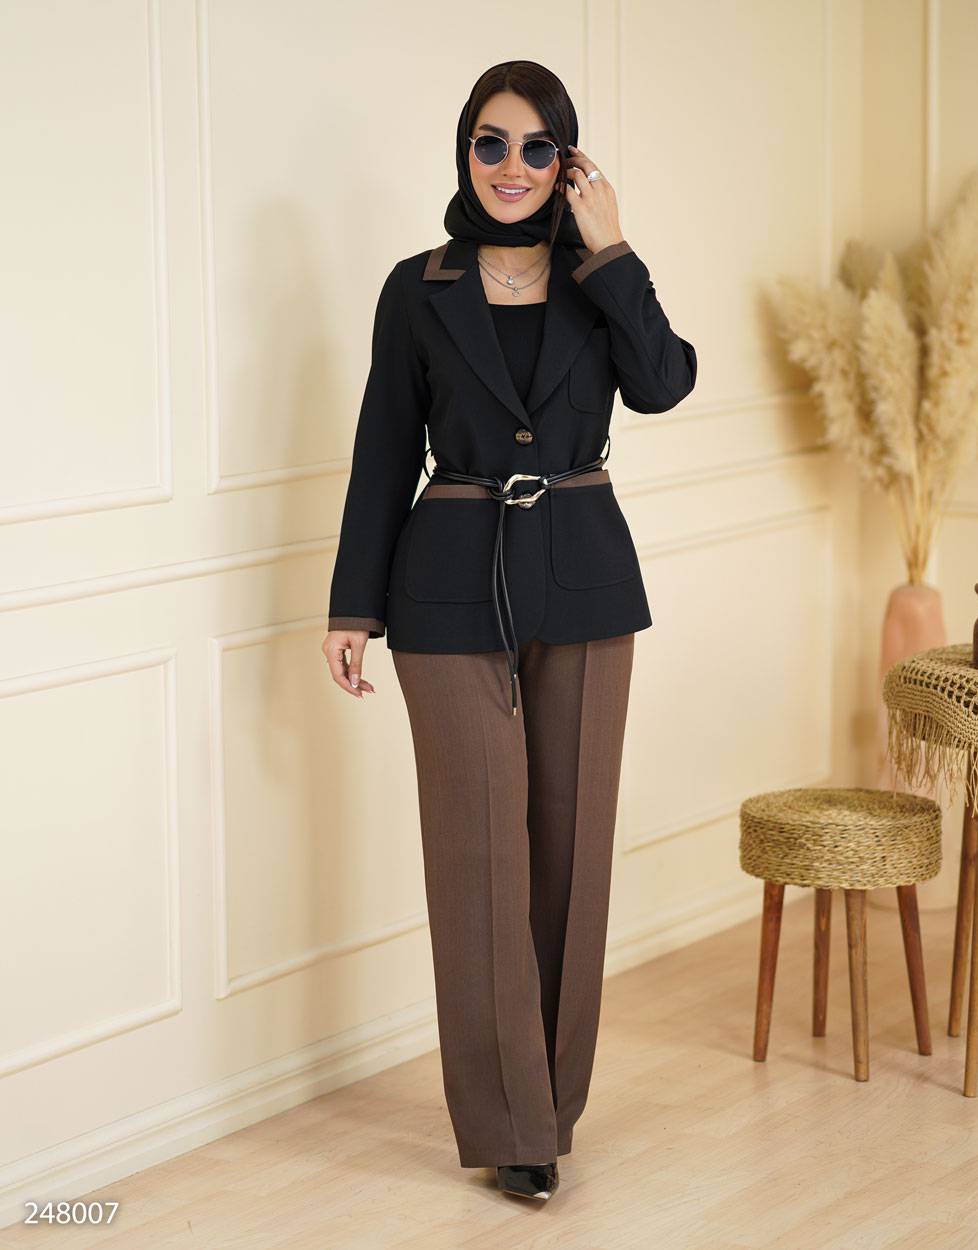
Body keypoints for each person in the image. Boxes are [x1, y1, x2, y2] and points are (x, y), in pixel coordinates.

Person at [322, 59, 697, 1202]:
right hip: (445, 580)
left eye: (539, 147)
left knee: (570, 851)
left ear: (566, 161)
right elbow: (385, 445)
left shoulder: (598, 278)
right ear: (465, 151)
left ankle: (550, 1110)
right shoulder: (417, 286)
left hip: (583, 574)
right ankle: (509, 1125)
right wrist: (353, 604)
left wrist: (612, 246)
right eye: (491, 142)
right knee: (478, 852)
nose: (512, 166)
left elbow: (664, 384)